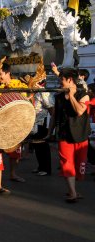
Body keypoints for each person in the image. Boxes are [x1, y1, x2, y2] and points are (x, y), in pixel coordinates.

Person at [53, 68, 90, 203]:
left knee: (80, 165)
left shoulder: (84, 94)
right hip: (64, 134)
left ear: (69, 80)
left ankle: (73, 190)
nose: (60, 82)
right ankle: (73, 192)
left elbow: (80, 111)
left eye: (62, 79)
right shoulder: (59, 96)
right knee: (67, 163)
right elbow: (54, 116)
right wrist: (49, 132)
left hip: (80, 134)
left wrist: (72, 96)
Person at [0, 63, 26, 183]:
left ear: (7, 73)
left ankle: (12, 173)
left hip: (15, 123)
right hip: (0, 123)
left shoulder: (20, 85)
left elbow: (25, 99)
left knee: (15, 151)